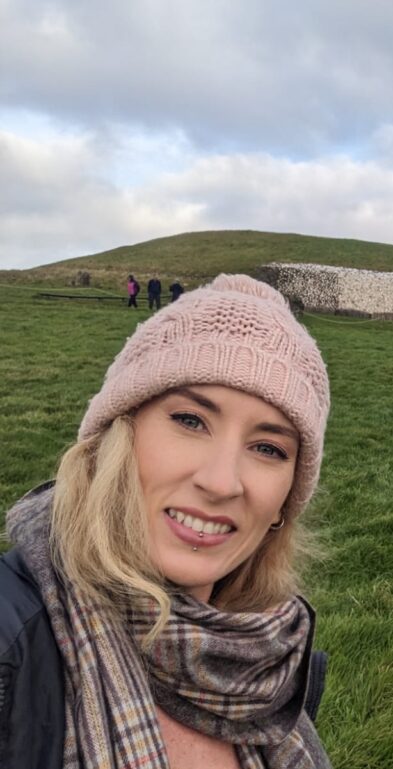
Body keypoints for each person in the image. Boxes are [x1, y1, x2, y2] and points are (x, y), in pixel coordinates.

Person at [1, 275, 332, 768]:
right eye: (190, 420)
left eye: (268, 448)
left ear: (287, 499)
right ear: (119, 434)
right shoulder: (10, 644)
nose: (222, 482)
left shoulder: (270, 667)